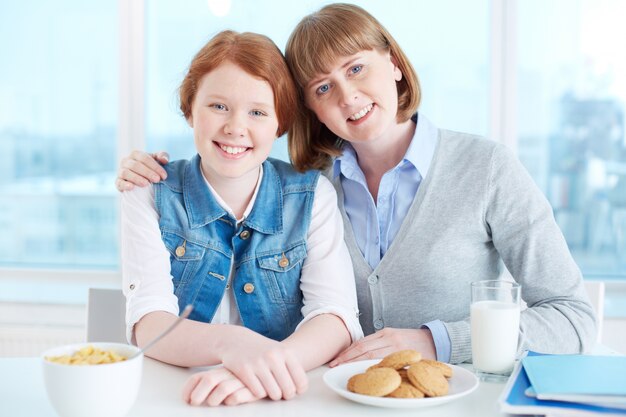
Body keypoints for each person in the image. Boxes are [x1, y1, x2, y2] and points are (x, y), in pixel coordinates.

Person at [117, 3, 596, 369]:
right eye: (322, 88)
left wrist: (436, 341)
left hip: (458, 399)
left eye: (356, 68)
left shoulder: (485, 167)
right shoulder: (312, 189)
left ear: (393, 63)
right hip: (340, 399)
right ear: (310, 110)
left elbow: (574, 318)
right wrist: (147, 170)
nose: (347, 96)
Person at [120, 29, 363, 407]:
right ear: (189, 110)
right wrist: (232, 345)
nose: (235, 127)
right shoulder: (148, 190)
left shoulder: (313, 196)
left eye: (257, 112)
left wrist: (263, 371)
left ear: (279, 123)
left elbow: (335, 316)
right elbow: (148, 322)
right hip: (175, 397)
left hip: (282, 396)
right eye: (218, 106)